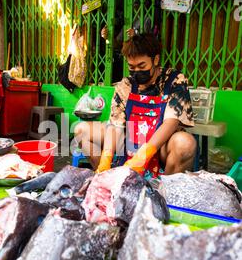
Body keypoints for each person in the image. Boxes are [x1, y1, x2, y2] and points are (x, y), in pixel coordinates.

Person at [74, 33, 196, 178]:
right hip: (129, 140)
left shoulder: (174, 80)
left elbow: (171, 122)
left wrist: (143, 155)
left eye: (142, 66)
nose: (137, 71)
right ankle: (106, 178)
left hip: (160, 145)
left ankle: (163, 192)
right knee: (81, 130)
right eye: (132, 67)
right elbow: (116, 126)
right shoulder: (126, 85)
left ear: (155, 59)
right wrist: (105, 159)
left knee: (185, 143)